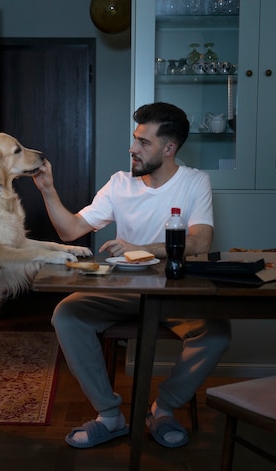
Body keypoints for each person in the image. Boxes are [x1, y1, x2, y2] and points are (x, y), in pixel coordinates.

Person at [32, 102, 231, 449]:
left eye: (144, 143)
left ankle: (163, 409)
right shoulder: (119, 183)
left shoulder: (195, 182)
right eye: (134, 139)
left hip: (174, 292)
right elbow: (71, 230)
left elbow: (200, 241)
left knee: (216, 333)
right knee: (66, 314)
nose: (132, 148)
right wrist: (47, 189)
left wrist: (140, 249)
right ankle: (110, 416)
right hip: (122, 289)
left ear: (169, 149)